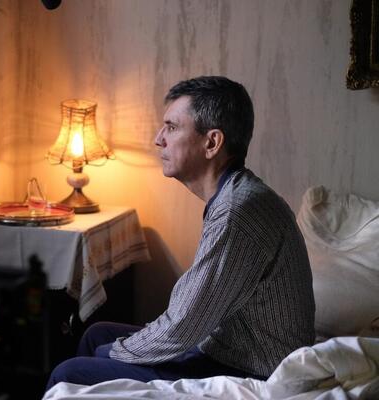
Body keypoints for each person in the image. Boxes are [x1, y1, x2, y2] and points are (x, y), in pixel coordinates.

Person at [45, 76, 316, 391]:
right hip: (225, 348)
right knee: (96, 334)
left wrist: (112, 354)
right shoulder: (236, 196)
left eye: (172, 127)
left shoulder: (238, 212)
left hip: (251, 369)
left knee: (69, 372)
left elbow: (183, 326)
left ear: (212, 143)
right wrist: (113, 351)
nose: (158, 139)